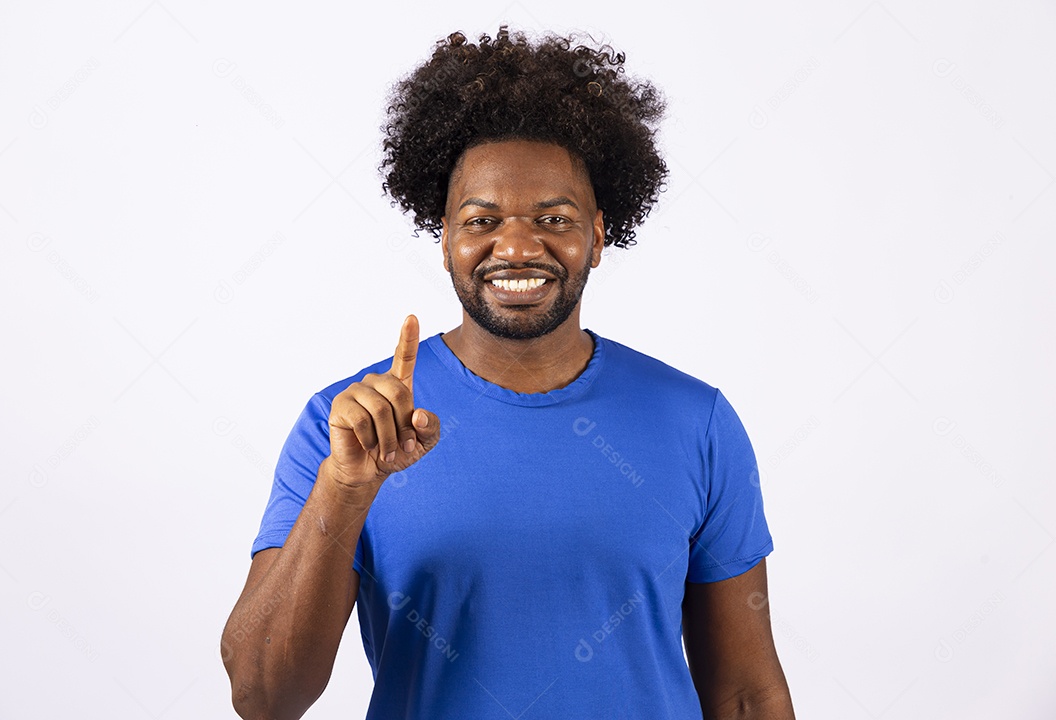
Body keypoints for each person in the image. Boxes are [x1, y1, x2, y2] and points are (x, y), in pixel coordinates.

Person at [221, 26, 795, 720]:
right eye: (481, 219)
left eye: (553, 217)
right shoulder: (348, 426)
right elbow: (261, 697)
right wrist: (345, 491)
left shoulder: (695, 422)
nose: (517, 245)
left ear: (600, 236)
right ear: (445, 239)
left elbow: (744, 694)